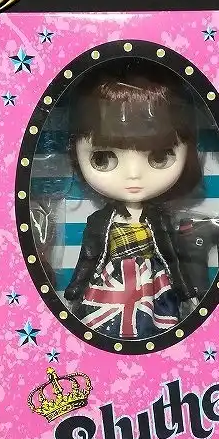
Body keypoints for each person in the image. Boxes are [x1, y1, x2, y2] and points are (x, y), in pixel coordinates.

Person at [63, 61, 202, 339]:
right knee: (108, 325)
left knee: (154, 323)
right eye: (103, 158)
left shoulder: (159, 220)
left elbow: (172, 258)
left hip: (152, 281)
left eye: (159, 157)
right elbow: (89, 259)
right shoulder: (100, 221)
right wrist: (74, 292)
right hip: (112, 282)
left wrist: (187, 293)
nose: (134, 175)